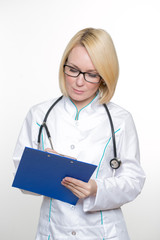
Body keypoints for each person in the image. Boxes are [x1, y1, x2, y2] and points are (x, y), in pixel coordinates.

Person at [13, 27, 145, 240]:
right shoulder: (39, 114)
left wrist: (96, 188)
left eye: (91, 74)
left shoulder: (120, 119)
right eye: (73, 69)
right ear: (63, 65)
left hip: (104, 233)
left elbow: (133, 180)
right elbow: (22, 174)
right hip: (53, 231)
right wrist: (46, 167)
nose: (79, 81)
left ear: (104, 76)